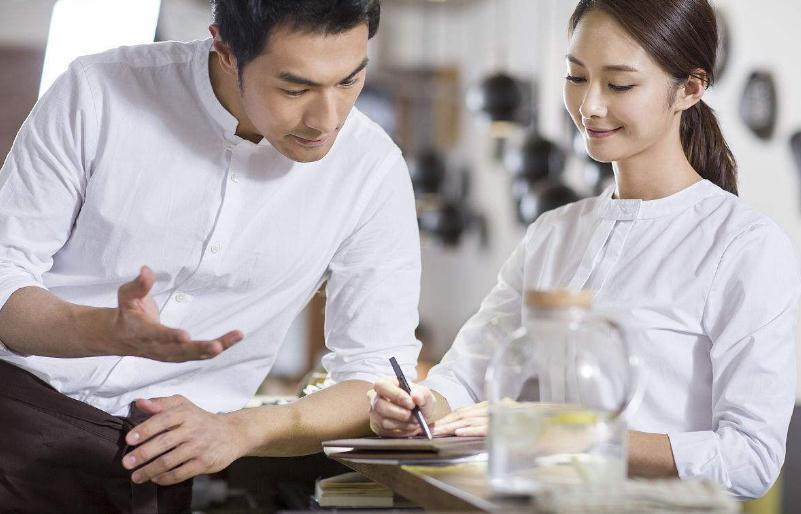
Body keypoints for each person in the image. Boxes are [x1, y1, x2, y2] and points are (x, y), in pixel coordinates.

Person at [0, 0, 422, 511]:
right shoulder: (100, 90)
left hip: (159, 459)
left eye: (350, 81)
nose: (326, 118)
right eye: (295, 88)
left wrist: (238, 430)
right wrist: (101, 329)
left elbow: (376, 374)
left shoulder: (371, 170)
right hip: (15, 412)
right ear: (224, 47)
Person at [369, 0, 800, 501]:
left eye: (619, 84)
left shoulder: (743, 244)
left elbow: (750, 460)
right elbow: (469, 372)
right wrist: (422, 405)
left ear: (690, 88)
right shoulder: (554, 233)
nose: (590, 106)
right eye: (576, 77)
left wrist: (566, 434)